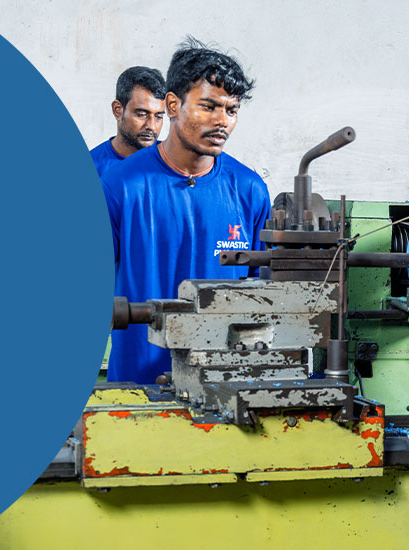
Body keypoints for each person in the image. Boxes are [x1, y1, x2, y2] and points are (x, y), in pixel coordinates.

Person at [102, 38, 268, 385]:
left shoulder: (249, 190)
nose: (222, 121)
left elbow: (264, 293)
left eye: (232, 110)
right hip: (137, 387)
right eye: (209, 106)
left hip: (224, 385)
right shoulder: (120, 185)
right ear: (173, 105)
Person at [89, 66, 166, 175]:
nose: (152, 126)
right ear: (118, 110)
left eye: (158, 116)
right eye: (142, 115)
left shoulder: (176, 163)